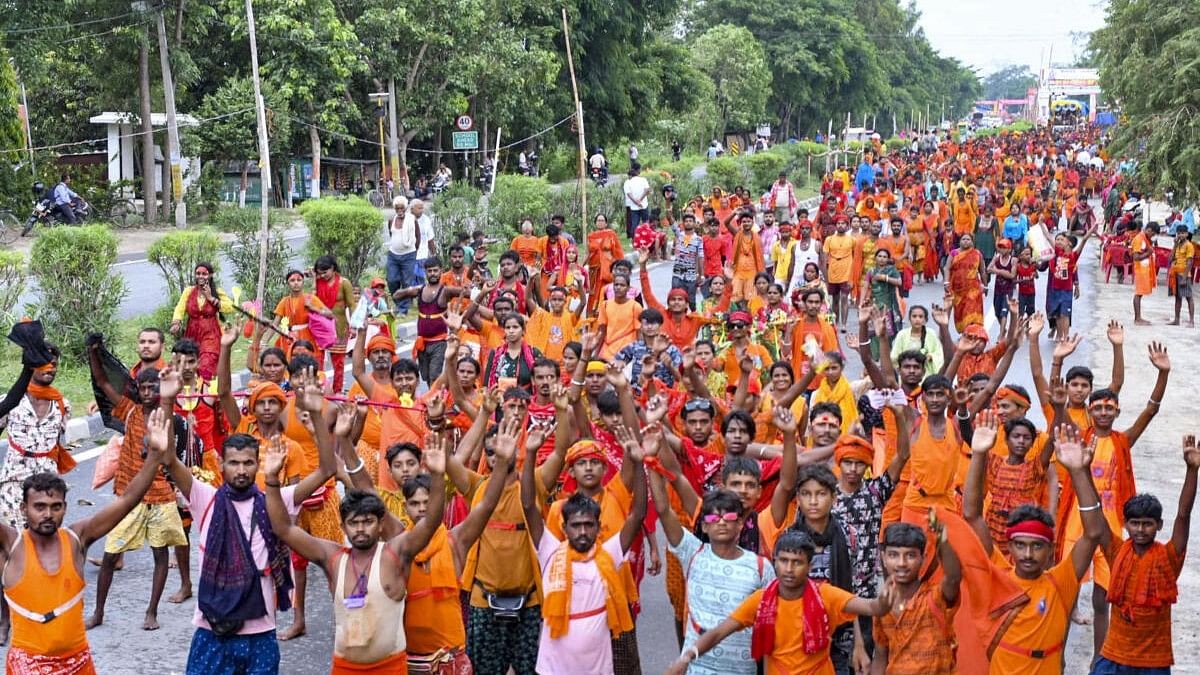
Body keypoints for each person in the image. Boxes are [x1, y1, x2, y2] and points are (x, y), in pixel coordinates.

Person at [1, 417, 172, 674]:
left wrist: (155, 457)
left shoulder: (77, 538)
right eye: (39, 507)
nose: (48, 514)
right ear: (24, 509)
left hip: (79, 663)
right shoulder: (10, 545)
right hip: (27, 665)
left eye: (55, 507)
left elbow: (126, 500)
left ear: (64, 509)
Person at [963, 414, 1112, 675]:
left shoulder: (1061, 582)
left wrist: (1078, 471)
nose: (1028, 554)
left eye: (1037, 546)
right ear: (1009, 546)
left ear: (1049, 549)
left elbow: (1094, 532)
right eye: (1020, 545)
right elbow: (972, 515)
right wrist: (978, 455)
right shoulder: (999, 575)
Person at [664, 530, 896, 675]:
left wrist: (885, 599)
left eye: (797, 562)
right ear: (774, 562)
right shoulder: (761, 600)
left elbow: (871, 608)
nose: (789, 568)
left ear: (810, 566)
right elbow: (719, 632)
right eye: (783, 561)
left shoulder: (826, 595)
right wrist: (686, 657)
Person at [522, 426, 648, 675]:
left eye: (588, 526)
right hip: (554, 666)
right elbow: (528, 505)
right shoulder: (551, 552)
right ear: (564, 527)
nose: (582, 532)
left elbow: (638, 514)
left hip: (603, 652)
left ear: (598, 527)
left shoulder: (608, 554)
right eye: (575, 526)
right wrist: (530, 454)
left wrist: (639, 462)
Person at [85, 355, 189, 632]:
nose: (146, 393)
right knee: (109, 554)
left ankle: (151, 612)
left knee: (160, 556)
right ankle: (98, 612)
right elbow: (103, 381)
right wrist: (94, 352)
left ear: (160, 390)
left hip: (161, 496)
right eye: (142, 388)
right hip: (130, 497)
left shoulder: (166, 415)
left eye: (152, 388)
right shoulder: (129, 410)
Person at [1092, 435, 1198, 674]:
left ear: (1159, 525)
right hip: (1113, 655)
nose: (1140, 530)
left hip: (1153, 662)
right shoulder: (1117, 551)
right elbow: (1095, 516)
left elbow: (1183, 515)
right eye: (1135, 523)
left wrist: (1192, 470)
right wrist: (1080, 470)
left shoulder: (1169, 557)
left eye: (1147, 524)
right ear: (1126, 524)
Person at [870, 521, 962, 673]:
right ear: (884, 558)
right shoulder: (882, 606)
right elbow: (880, 656)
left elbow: (953, 578)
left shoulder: (935, 597)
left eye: (910, 555)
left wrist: (943, 539)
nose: (901, 563)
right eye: (894, 555)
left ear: (923, 559)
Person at [393, 257, 470, 386]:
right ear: (425, 272)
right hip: (422, 342)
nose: (433, 273)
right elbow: (396, 295)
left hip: (439, 342)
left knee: (434, 376)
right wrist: (409, 290)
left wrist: (478, 290)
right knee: (426, 376)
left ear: (441, 271)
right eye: (430, 271)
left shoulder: (446, 290)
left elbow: (468, 293)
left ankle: (433, 402)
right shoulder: (420, 290)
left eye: (435, 270)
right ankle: (435, 397)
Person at [169, 262, 233, 380]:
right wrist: (176, 322)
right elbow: (180, 307)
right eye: (198, 273)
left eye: (204, 274)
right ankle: (195, 393)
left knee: (206, 364)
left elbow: (230, 307)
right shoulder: (189, 291)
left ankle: (206, 393)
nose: (201, 276)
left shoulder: (216, 291)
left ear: (210, 275)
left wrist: (211, 298)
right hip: (192, 334)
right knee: (192, 366)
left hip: (211, 335)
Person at [314, 255, 357, 393]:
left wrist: (355, 325)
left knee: (338, 363)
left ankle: (337, 391)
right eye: (320, 272)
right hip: (320, 327)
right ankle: (319, 389)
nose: (323, 275)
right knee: (317, 360)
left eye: (325, 272)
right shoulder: (317, 282)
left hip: (339, 327)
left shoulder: (344, 283)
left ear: (333, 268)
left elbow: (351, 305)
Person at [386, 196, 419, 314]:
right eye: (397, 208)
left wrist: (414, 252)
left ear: (406, 208)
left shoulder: (412, 220)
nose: (400, 211)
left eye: (402, 208)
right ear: (394, 209)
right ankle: (399, 303)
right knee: (391, 280)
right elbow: (391, 235)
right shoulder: (391, 220)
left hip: (409, 255)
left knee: (407, 282)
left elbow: (417, 236)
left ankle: (403, 309)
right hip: (393, 254)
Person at [889, 305, 943, 376]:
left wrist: (930, 357)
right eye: (914, 316)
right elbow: (894, 357)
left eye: (920, 317)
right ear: (909, 319)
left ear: (925, 320)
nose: (917, 319)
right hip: (907, 375)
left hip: (927, 374)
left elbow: (939, 354)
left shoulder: (931, 333)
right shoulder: (902, 334)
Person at [586, 214, 623, 315]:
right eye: (598, 220)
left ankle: (607, 316)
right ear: (595, 223)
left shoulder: (611, 234)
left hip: (607, 271)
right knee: (593, 294)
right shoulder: (591, 236)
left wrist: (619, 268)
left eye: (602, 220)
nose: (600, 222)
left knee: (606, 292)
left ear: (606, 223)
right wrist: (581, 266)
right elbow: (588, 253)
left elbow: (618, 251)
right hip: (594, 271)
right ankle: (592, 320)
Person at [948, 233, 985, 331]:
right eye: (963, 239)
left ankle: (971, 331)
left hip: (973, 288)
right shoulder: (954, 253)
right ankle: (965, 331)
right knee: (961, 311)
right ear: (960, 241)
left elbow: (982, 271)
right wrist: (946, 283)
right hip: (957, 288)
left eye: (968, 239)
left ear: (972, 242)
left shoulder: (977, 254)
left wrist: (985, 286)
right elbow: (946, 268)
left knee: (972, 310)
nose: (965, 241)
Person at [1131, 221, 1157, 325]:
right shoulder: (1139, 239)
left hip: (1144, 269)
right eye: (1153, 234)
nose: (1153, 236)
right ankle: (1137, 319)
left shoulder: (1145, 238)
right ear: (1149, 230)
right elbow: (1136, 257)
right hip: (1140, 270)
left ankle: (1138, 318)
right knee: (1138, 293)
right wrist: (1148, 253)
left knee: (1140, 294)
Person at [1168, 224, 1195, 326]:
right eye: (1179, 233)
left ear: (1187, 234)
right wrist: (1175, 245)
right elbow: (1170, 259)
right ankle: (1176, 319)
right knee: (1178, 297)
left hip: (1184, 274)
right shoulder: (1178, 245)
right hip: (1175, 273)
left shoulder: (1189, 245)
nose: (1180, 235)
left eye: (1183, 233)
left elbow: (1189, 263)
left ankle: (1191, 321)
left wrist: (1184, 278)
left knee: (1188, 297)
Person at [623, 165, 651, 239]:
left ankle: (635, 239)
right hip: (644, 205)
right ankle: (647, 237)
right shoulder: (643, 179)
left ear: (631, 175)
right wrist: (640, 200)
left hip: (634, 207)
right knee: (646, 222)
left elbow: (629, 194)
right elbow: (647, 190)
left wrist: (636, 202)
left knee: (635, 223)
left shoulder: (629, 182)